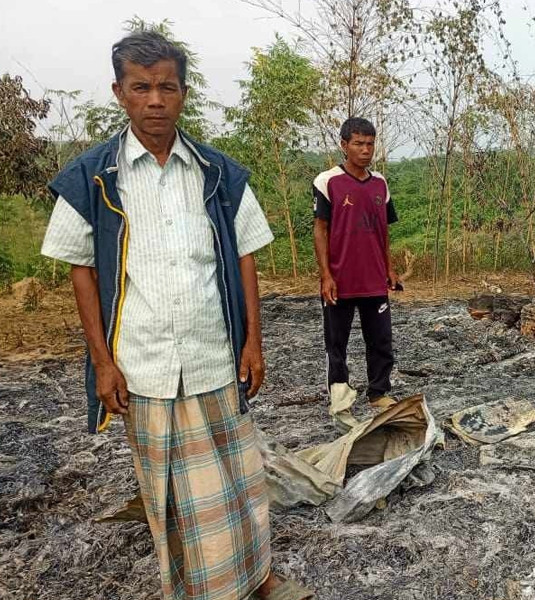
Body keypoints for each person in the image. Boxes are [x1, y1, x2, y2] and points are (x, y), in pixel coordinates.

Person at [41, 31, 312, 600]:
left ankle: (258, 579)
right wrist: (103, 364)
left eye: (167, 86)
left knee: (240, 479)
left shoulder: (219, 175)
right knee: (171, 495)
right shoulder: (93, 179)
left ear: (184, 93)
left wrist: (253, 342)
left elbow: (245, 257)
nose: (155, 100)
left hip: (215, 356)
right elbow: (82, 271)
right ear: (120, 92)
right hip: (144, 367)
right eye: (141, 87)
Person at [312, 117, 400, 414]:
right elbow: (320, 229)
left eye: (370, 144)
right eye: (359, 143)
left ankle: (379, 392)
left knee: (381, 340)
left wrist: (389, 267)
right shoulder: (327, 182)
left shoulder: (380, 184)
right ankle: (339, 396)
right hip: (340, 279)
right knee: (336, 344)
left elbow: (383, 231)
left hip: (374, 278)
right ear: (344, 145)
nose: (366, 150)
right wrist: (326, 275)